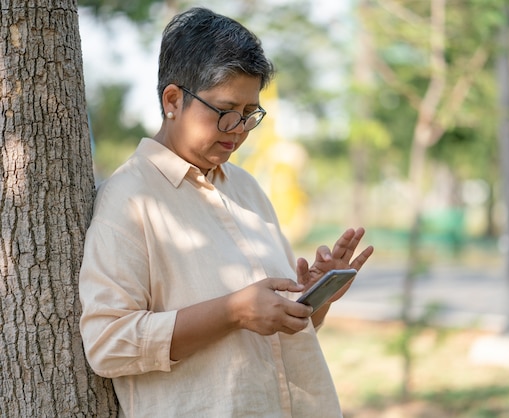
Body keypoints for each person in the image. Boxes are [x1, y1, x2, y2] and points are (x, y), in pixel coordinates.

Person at [79, 7, 374, 417]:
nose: (238, 128)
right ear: (173, 100)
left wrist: (313, 298)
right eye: (225, 111)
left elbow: (275, 334)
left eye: (250, 113)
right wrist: (233, 311)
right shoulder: (129, 199)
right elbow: (108, 343)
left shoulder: (246, 187)